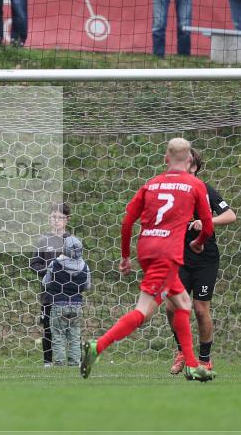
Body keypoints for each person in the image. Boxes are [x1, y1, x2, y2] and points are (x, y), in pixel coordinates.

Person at [80, 138, 215, 382]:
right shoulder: (195, 185)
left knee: (183, 303)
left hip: (147, 249)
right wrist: (199, 242)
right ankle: (97, 346)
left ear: (166, 159)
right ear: (188, 161)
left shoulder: (150, 184)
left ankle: (193, 365)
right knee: (144, 310)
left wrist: (125, 256)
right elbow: (206, 225)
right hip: (168, 254)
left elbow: (127, 221)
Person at [165, 148, 236, 374]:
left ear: (193, 167)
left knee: (199, 309)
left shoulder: (206, 190)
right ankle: (182, 353)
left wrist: (208, 222)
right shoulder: (172, 191)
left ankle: (205, 360)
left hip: (205, 258)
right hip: (179, 256)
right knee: (170, 307)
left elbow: (231, 215)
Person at [29, 202, 70, 367]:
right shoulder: (43, 240)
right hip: (48, 293)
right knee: (48, 327)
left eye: (60, 217)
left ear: (67, 219)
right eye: (53, 217)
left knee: (70, 327)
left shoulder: (72, 241)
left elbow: (79, 264)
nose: (56, 220)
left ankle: (73, 359)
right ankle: (48, 362)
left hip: (69, 293)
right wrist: (48, 269)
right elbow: (34, 265)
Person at [44, 235, 90, 366]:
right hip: (76, 306)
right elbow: (87, 286)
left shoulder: (55, 263)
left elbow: (46, 283)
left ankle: (59, 363)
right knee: (75, 336)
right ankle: (75, 363)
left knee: (58, 336)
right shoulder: (85, 266)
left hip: (59, 305)